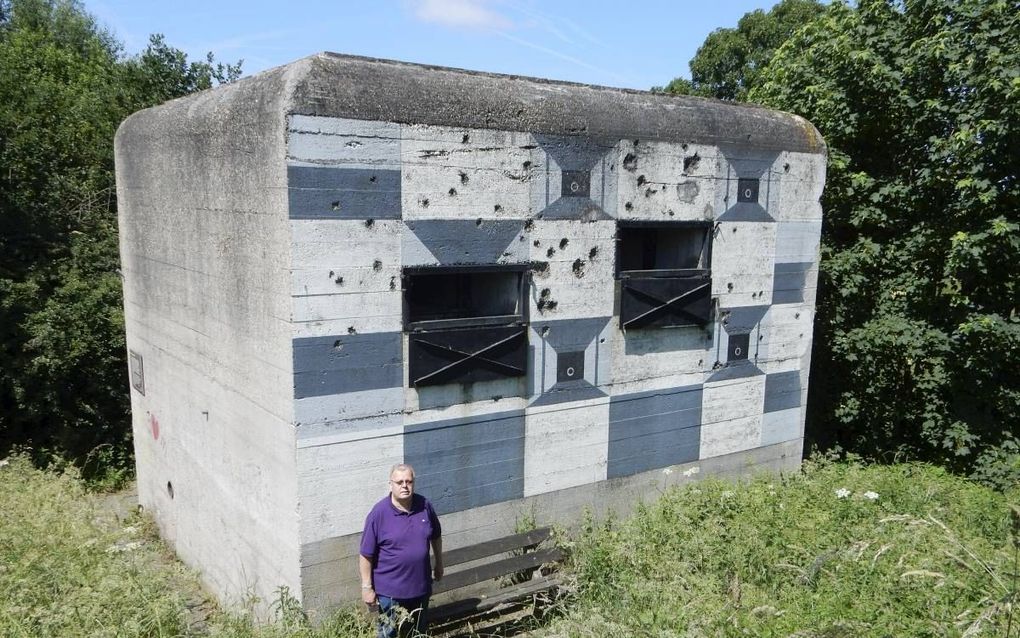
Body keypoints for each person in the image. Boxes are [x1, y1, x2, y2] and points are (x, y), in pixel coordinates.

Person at [359, 463, 443, 637]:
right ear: (391, 484)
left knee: (417, 634)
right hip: (390, 594)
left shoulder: (425, 506)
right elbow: (366, 554)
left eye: (409, 481)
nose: (405, 486)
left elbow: (436, 536)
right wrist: (367, 587)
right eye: (399, 482)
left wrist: (439, 564)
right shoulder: (378, 514)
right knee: (387, 634)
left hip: (420, 589)